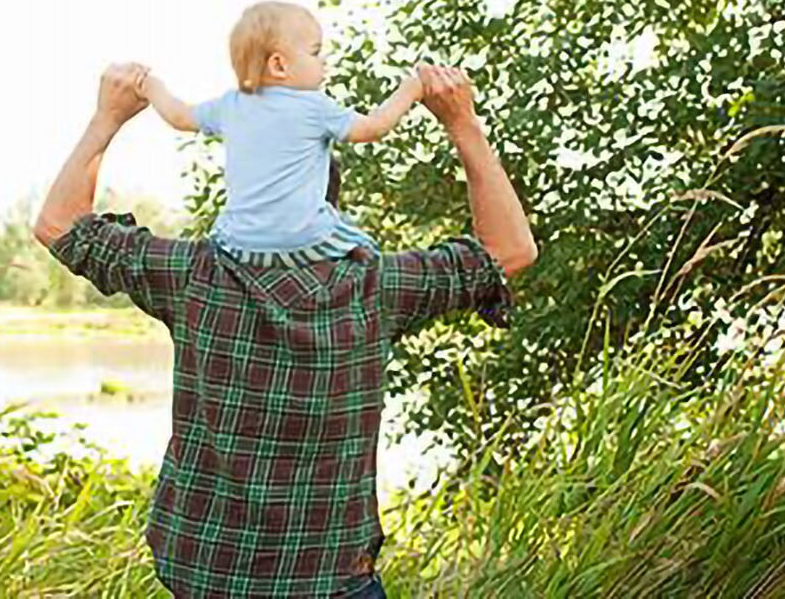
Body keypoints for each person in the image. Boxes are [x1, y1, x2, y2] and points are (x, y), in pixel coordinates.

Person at [34, 63, 537, 598]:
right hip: (333, 582)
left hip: (210, 578)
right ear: (329, 207)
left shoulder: (193, 277)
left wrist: (107, 118)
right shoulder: (374, 288)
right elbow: (510, 250)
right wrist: (462, 123)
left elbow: (58, 224)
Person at [137, 1, 423, 264]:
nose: (323, 60)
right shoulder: (313, 106)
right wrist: (411, 89)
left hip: (240, 246)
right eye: (315, 52)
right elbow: (373, 128)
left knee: (222, 229)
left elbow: (179, 116)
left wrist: (150, 86)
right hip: (307, 240)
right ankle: (354, 257)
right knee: (362, 243)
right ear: (279, 65)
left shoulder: (230, 104)